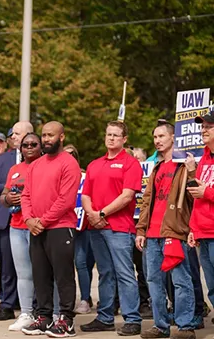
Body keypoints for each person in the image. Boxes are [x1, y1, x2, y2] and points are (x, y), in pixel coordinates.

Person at [80, 121, 143, 336]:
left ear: (124, 139)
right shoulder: (94, 164)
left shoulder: (130, 163)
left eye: (116, 135)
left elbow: (127, 195)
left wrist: (102, 213)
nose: (111, 138)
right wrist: (92, 214)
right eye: (108, 134)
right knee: (105, 273)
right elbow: (85, 194)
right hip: (95, 226)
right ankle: (105, 317)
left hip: (119, 227)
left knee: (125, 273)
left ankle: (132, 318)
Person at [135, 121, 196, 339]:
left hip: (174, 232)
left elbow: (192, 197)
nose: (157, 141)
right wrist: (141, 230)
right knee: (154, 281)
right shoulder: (157, 168)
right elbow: (147, 200)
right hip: (152, 235)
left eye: (161, 136)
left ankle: (185, 325)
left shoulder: (183, 166)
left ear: (173, 138)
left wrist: (191, 173)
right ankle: (160, 325)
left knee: (181, 280)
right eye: (155, 137)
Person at [20, 121, 81, 337]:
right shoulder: (36, 164)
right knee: (40, 275)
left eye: (50, 135)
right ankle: (44, 318)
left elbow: (66, 200)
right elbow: (25, 194)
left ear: (61, 137)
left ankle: (67, 320)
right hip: (36, 228)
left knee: (63, 276)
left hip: (60, 227)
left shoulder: (69, 163)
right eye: (44, 135)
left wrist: (42, 221)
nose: (46, 139)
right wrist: (28, 219)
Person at [0, 121, 33, 321]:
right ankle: (7, 304)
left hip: (32, 219)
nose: (12, 137)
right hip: (7, 218)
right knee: (7, 266)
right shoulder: (3, 159)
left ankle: (34, 305)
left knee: (32, 265)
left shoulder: (38, 159)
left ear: (28, 135)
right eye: (12, 134)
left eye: (16, 133)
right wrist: (9, 192)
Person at [1, 132, 42, 331]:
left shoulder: (46, 165)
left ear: (40, 146)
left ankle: (47, 312)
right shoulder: (15, 170)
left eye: (34, 144)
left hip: (39, 226)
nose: (29, 147)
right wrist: (8, 199)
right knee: (23, 274)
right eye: (25, 145)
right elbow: (3, 196)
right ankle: (26, 313)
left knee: (44, 273)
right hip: (17, 227)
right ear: (20, 149)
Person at [188, 111, 214, 327]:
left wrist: (207, 193)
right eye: (202, 126)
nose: (203, 130)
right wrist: (193, 228)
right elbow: (198, 198)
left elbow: (205, 193)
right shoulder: (204, 158)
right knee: (211, 284)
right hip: (203, 232)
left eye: (209, 126)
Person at [64, 144, 96, 315]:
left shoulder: (85, 177)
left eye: (72, 155)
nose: (69, 157)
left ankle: (85, 299)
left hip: (83, 228)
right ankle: (68, 299)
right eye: (66, 154)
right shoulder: (59, 176)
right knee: (64, 265)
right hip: (63, 226)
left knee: (82, 262)